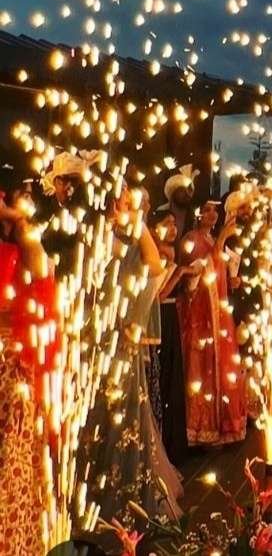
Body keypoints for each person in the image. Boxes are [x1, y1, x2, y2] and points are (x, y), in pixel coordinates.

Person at [85, 184, 182, 528]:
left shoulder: (132, 231)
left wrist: (137, 224)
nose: (126, 201)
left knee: (125, 411)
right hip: (94, 331)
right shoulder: (91, 225)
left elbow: (154, 267)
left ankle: (127, 492)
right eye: (122, 196)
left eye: (129, 198)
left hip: (121, 333)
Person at [0, 184, 56, 556]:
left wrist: (20, 222)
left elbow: (40, 271)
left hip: (13, 370)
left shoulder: (24, 248)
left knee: (12, 457)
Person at [178, 201, 247, 447]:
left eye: (215, 210)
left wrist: (233, 280)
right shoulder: (191, 239)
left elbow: (219, 271)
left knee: (221, 365)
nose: (212, 214)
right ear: (198, 214)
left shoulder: (214, 239)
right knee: (201, 368)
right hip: (200, 315)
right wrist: (222, 240)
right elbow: (195, 275)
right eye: (206, 209)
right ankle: (201, 428)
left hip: (218, 312)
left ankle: (222, 425)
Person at [149, 206, 191, 464]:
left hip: (172, 315)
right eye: (167, 224)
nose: (173, 229)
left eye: (175, 224)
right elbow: (158, 295)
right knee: (164, 376)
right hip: (160, 316)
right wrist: (179, 274)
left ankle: (174, 443)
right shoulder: (156, 254)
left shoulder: (171, 252)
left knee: (174, 374)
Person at [158, 165, 197, 239]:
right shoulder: (161, 213)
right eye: (182, 190)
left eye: (189, 191)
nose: (187, 194)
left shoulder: (192, 217)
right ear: (173, 193)